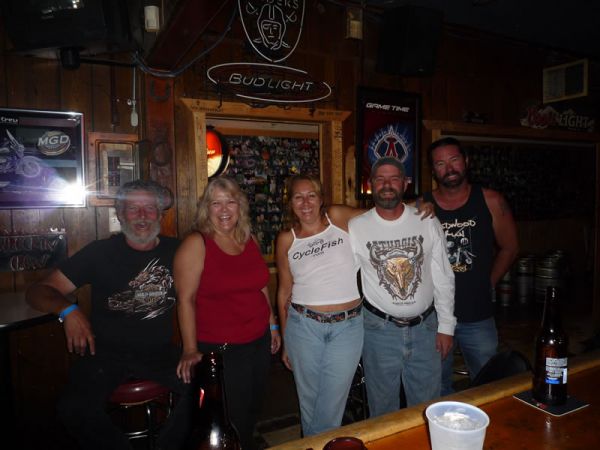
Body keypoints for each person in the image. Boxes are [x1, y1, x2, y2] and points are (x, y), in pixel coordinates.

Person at [25, 179, 193, 450]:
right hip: (104, 353)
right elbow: (39, 291)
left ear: (161, 214)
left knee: (205, 388)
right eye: (132, 208)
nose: (141, 216)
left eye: (150, 208)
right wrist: (68, 310)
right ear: (119, 214)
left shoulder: (180, 250)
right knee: (73, 409)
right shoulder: (99, 252)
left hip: (160, 352)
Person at [175, 176, 281, 450]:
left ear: (240, 207)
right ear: (205, 209)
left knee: (253, 410)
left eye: (230, 202)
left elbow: (260, 287)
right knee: (229, 420)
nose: (224, 210)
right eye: (216, 203)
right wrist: (189, 349)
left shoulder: (249, 239)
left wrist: (272, 326)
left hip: (257, 342)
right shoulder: (196, 243)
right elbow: (185, 300)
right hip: (222, 351)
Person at [349, 157, 456, 417]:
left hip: (426, 329)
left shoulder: (426, 219)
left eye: (394, 178)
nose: (387, 185)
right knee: (383, 410)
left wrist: (446, 326)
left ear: (405, 183)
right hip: (378, 332)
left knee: (427, 407)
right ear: (370, 184)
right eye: (380, 179)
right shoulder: (356, 227)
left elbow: (443, 275)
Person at [422, 137, 519, 395]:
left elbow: (510, 247)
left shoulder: (491, 201)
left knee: (488, 386)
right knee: (436, 388)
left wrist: (490, 282)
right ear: (433, 170)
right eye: (440, 163)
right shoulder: (420, 207)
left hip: (478, 314)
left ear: (466, 161)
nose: (449, 168)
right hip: (434, 317)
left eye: (454, 160)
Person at [276, 174, 364, 436]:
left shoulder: (338, 218)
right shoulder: (286, 239)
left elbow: (379, 214)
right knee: (309, 400)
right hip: (303, 326)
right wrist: (285, 341)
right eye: (298, 197)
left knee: (332, 400)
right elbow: (283, 292)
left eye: (311, 195)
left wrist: (419, 204)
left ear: (321, 198)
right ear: (290, 203)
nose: (305, 203)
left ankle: (313, 443)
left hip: (347, 326)